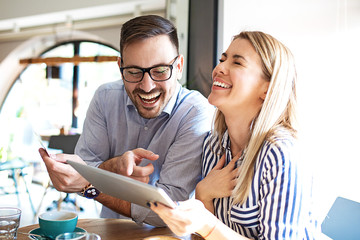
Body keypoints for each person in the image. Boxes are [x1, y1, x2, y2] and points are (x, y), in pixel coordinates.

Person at [39, 15, 214, 227]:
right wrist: (112, 168)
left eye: (160, 71)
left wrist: (89, 185)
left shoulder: (195, 112)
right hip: (111, 232)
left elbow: (170, 210)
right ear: (120, 67)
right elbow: (83, 168)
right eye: (134, 72)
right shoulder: (105, 98)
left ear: (179, 67)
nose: (147, 86)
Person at [150, 31, 318, 239]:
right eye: (222, 59)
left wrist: (207, 223)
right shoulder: (214, 145)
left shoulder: (281, 154)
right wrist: (204, 194)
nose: (219, 68)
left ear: (267, 89)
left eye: (237, 63)